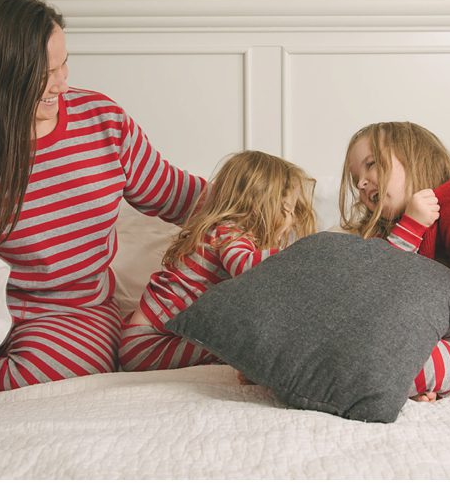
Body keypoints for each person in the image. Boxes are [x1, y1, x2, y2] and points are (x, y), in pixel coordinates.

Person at [0, 0, 206, 390]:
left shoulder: (101, 120)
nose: (61, 83)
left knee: (48, 371)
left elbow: (176, 192)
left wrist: (258, 202)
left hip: (73, 312)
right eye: (43, 74)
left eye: (64, 63)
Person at [340, 122, 450, 400]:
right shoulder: (375, 236)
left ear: (416, 160)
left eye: (371, 164)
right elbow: (373, 291)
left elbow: (393, 278)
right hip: (415, 340)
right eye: (355, 178)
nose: (361, 183)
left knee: (401, 361)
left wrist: (412, 225)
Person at [117, 151, 316, 371]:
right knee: (240, 342)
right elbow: (244, 265)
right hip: (148, 345)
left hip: (147, 341)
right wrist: (301, 253)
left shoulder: (228, 233)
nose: (293, 220)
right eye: (288, 209)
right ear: (261, 205)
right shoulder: (229, 231)